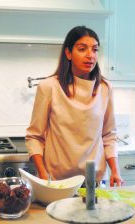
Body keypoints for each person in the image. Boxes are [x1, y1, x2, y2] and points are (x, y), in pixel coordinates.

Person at [26, 26, 123, 187]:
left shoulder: (105, 88)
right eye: (82, 49)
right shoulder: (49, 86)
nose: (90, 55)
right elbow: (34, 136)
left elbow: (109, 135)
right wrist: (43, 175)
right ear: (68, 53)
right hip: (57, 182)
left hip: (95, 181)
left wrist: (115, 170)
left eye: (95, 49)